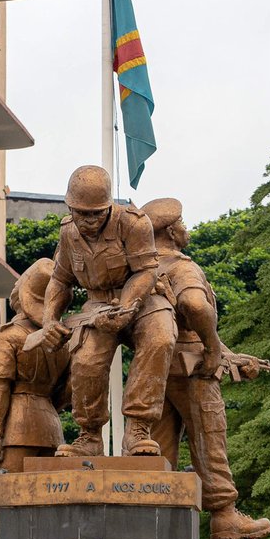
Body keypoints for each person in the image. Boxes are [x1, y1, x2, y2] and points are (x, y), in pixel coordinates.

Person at [141, 196, 270, 539]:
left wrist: (230, 355)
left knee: (156, 450)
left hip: (154, 371)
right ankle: (225, 517)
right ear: (171, 230)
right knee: (210, 438)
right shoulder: (182, 267)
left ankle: (156, 524)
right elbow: (194, 305)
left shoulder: (142, 270)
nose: (186, 228)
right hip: (193, 370)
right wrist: (213, 350)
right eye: (182, 222)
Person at [40, 164, 176, 457]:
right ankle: (89, 436)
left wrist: (128, 306)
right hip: (98, 303)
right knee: (86, 360)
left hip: (142, 296)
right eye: (81, 213)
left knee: (160, 338)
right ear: (70, 207)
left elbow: (145, 272)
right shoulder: (67, 232)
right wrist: (49, 320)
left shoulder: (133, 223)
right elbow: (60, 280)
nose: (88, 221)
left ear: (108, 206)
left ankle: (138, 428)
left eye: (96, 213)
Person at [0, 258, 70, 475]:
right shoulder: (63, 341)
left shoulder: (7, 336)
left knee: (11, 493)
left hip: (15, 428)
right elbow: (68, 391)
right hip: (52, 428)